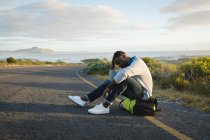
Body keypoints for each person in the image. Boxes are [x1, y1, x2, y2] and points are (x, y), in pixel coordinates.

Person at [68, 51, 153, 115]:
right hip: (134, 93)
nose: (119, 65)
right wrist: (112, 66)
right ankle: (84, 99)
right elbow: (113, 79)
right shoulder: (125, 65)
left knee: (123, 78)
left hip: (143, 95)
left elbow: (123, 74)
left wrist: (108, 88)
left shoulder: (137, 63)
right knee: (111, 81)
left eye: (118, 63)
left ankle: (105, 106)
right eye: (117, 64)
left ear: (124, 56)